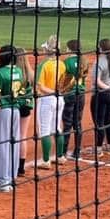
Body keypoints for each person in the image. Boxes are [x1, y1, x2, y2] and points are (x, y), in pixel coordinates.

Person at [0, 45, 23, 192]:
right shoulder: (19, 71)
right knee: (13, 143)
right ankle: (11, 177)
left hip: (3, 110)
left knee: (1, 144)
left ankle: (2, 181)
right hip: (16, 110)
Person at [34, 35, 69, 168]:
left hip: (46, 100)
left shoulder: (43, 65)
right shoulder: (62, 64)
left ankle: (46, 160)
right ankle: (60, 156)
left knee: (44, 130)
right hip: (60, 99)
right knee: (57, 128)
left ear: (47, 50)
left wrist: (52, 91)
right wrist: (58, 92)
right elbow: (65, 82)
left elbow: (39, 87)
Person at [62, 39, 89, 158]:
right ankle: (77, 152)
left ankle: (63, 152)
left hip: (69, 95)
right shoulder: (84, 61)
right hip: (81, 94)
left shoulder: (66, 62)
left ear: (70, 49)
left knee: (67, 124)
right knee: (77, 123)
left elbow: (63, 80)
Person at [90, 38, 110, 159]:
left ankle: (98, 149)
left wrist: (106, 87)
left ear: (101, 48)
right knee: (108, 120)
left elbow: (96, 81)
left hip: (101, 94)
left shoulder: (99, 61)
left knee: (99, 122)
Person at [14, 48, 35, 176]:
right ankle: (21, 167)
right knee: (22, 136)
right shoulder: (30, 73)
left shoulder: (14, 73)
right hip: (27, 106)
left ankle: (11, 165)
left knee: (12, 136)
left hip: (16, 106)